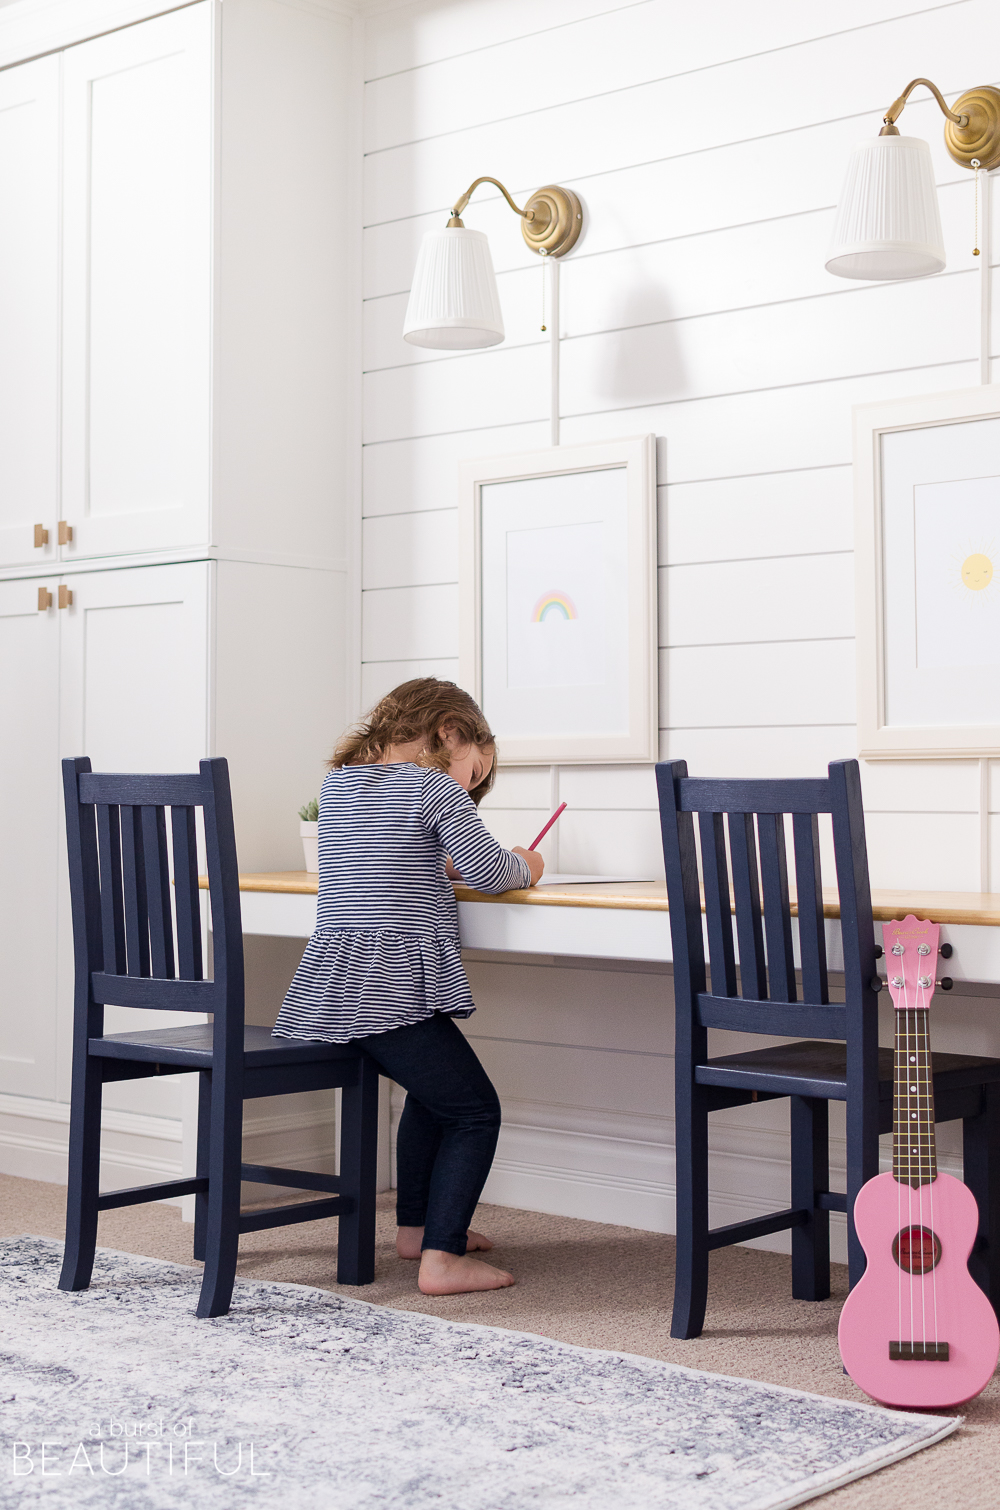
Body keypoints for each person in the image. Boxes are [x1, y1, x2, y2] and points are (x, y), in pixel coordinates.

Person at [272, 678, 543, 1294]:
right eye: (477, 768)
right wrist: (531, 860)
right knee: (475, 1112)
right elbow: (494, 872)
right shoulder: (435, 786)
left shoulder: (339, 787)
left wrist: (435, 861)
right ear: (452, 731)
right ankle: (442, 1260)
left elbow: (385, 856)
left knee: (432, 1096)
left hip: (333, 985)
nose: (472, 785)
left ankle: (419, 1231)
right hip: (389, 987)